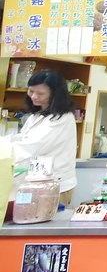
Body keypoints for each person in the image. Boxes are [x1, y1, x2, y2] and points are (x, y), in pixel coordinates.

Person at [8, 69, 78, 207]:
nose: (34, 96)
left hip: (54, 186)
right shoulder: (37, 114)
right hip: (33, 183)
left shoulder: (62, 118)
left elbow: (32, 146)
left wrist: (4, 151)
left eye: (40, 94)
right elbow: (22, 138)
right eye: (31, 91)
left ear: (55, 94)